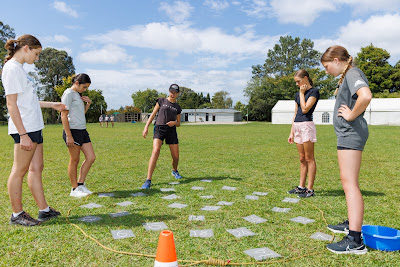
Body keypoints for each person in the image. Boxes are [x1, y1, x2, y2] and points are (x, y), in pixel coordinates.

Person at [2, 34, 63, 226]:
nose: (37, 59)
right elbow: (11, 104)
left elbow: (27, 101)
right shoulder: (11, 69)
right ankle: (17, 214)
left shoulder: (20, 70)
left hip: (34, 126)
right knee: (19, 171)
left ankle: (44, 210)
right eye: (36, 54)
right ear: (26, 48)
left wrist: (52, 104)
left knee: (36, 169)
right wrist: (23, 134)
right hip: (25, 129)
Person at [321, 45, 372, 254]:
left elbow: (365, 96)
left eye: (326, 66)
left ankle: (355, 239)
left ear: (335, 60)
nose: (326, 71)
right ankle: (351, 222)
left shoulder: (352, 73)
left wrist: (351, 115)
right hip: (347, 134)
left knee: (350, 183)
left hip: (351, 134)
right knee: (348, 182)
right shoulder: (348, 74)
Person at [61, 73, 96, 198]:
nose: (85, 89)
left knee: (91, 157)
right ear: (77, 83)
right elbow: (63, 115)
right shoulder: (68, 94)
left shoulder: (78, 95)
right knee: (74, 160)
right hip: (73, 131)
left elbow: (80, 113)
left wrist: (88, 104)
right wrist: (69, 135)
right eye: (84, 87)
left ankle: (80, 184)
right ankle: (74, 189)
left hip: (82, 130)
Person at [141, 84, 183, 189]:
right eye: (171, 92)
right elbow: (153, 114)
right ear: (169, 91)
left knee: (176, 156)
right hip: (160, 128)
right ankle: (148, 179)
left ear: (177, 94)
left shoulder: (177, 107)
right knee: (155, 151)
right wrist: (146, 126)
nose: (172, 94)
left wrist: (174, 123)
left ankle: (175, 171)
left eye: (175, 92)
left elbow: (179, 123)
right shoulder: (161, 101)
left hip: (172, 130)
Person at [288, 69, 320, 198]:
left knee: (309, 158)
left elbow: (306, 109)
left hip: (307, 125)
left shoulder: (314, 92)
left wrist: (302, 94)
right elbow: (296, 113)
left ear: (305, 78)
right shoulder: (297, 94)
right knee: (302, 159)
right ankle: (301, 187)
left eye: (298, 81)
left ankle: (310, 189)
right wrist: (291, 132)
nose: (297, 84)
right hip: (297, 126)